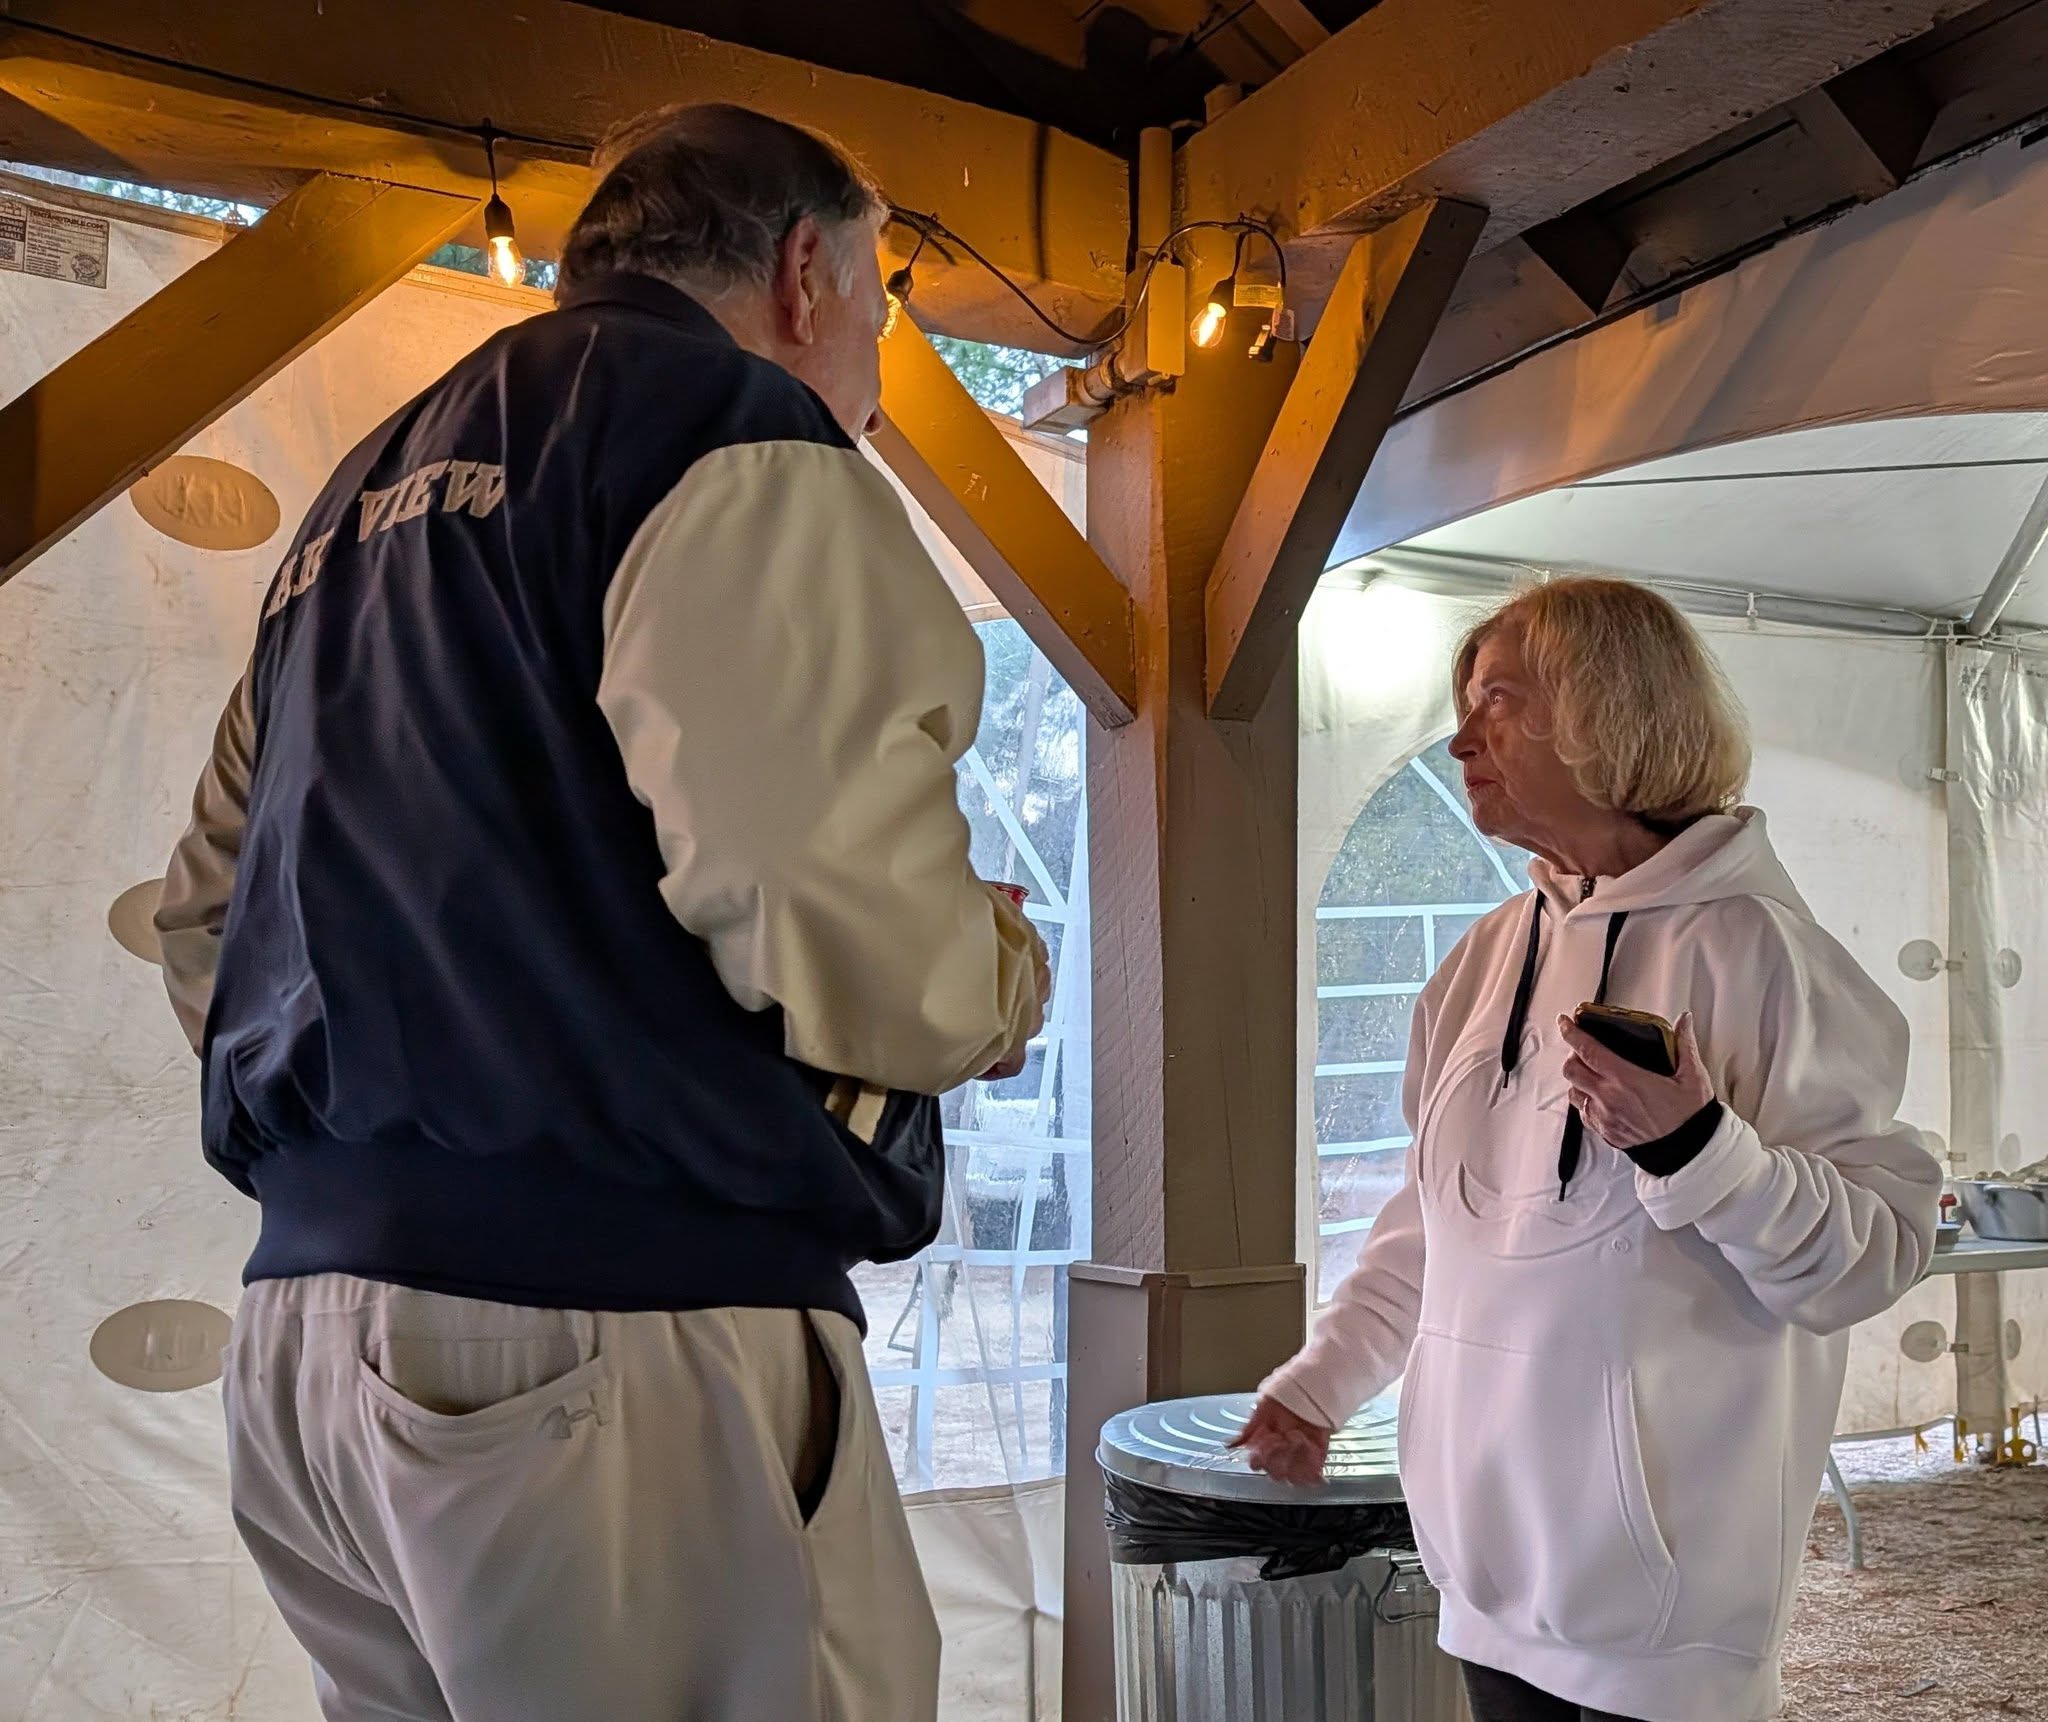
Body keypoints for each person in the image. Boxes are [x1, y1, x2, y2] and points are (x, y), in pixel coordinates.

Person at [153, 103, 1048, 1722]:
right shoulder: (723, 427)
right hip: (609, 1329)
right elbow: (824, 900)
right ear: (805, 272)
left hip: (306, 1343)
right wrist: (994, 975)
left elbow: (209, 918)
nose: (873, 354)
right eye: (882, 296)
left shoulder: (357, 500)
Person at [1235, 578, 1940, 1722]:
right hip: (1482, 1584)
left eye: (1498, 700)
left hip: (1664, 1628)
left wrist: (1700, 1150)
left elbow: (1873, 1256)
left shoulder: (1764, 956)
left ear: (1611, 713)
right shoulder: (1479, 960)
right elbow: (1427, 1226)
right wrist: (1320, 1385)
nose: (1461, 740)